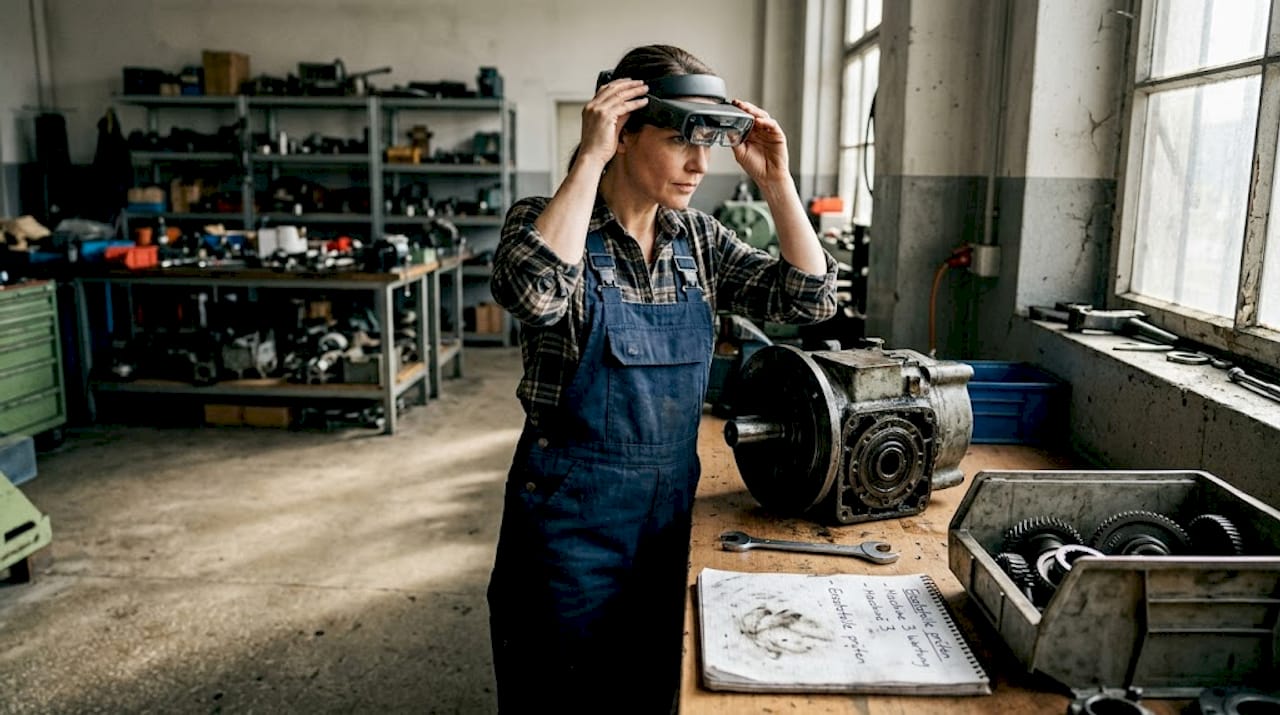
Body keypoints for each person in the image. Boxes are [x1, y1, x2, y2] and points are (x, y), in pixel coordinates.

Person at [486, 44, 837, 714]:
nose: (699, 165)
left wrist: (778, 184)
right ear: (623, 133)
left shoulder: (698, 242)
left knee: (651, 694)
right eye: (680, 140)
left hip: (665, 526)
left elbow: (810, 300)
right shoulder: (542, 221)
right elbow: (533, 294)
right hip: (567, 536)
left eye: (707, 143)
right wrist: (588, 158)